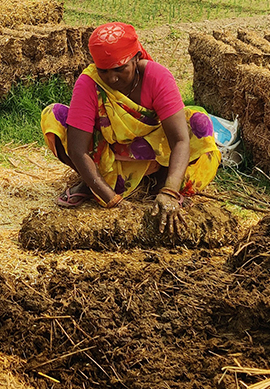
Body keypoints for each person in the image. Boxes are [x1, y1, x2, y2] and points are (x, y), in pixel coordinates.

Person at [41, 22, 221, 235]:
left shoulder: (157, 78)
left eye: (119, 69)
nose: (112, 78)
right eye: (104, 71)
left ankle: (160, 185)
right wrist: (111, 200)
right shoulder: (89, 83)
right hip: (112, 156)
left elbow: (180, 140)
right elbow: (78, 150)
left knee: (199, 122)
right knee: (54, 116)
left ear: (136, 57)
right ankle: (94, 184)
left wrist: (170, 191)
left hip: (153, 153)